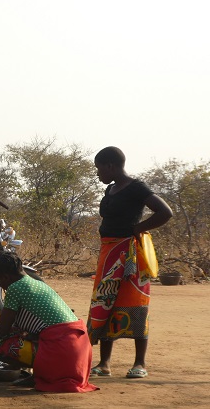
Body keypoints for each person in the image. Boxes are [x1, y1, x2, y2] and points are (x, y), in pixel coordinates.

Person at [88, 146, 173, 379]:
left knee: (135, 303)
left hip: (129, 255)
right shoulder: (111, 189)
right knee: (106, 302)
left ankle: (139, 363)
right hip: (108, 254)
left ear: (110, 166)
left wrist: (138, 228)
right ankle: (104, 363)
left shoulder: (137, 187)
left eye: (99, 169)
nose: (98, 173)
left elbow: (165, 212)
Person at [0, 251, 98, 393]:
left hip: (62, 354)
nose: (0, 285)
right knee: (16, 332)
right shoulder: (37, 283)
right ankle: (38, 373)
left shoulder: (15, 288)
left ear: (5, 277)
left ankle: (43, 374)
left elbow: (1, 331)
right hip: (80, 356)